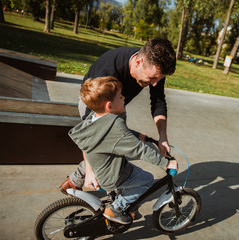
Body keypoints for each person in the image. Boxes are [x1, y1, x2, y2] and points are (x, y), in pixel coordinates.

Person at [60, 38, 177, 194]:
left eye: (159, 78)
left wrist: (162, 137)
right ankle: (112, 198)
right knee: (108, 148)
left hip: (115, 105)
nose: (155, 83)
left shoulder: (154, 66)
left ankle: (81, 182)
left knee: (117, 146)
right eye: (153, 78)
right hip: (94, 104)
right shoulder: (108, 71)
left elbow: (158, 101)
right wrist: (89, 171)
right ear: (138, 62)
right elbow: (90, 136)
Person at [68, 76, 178, 224]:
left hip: (101, 170)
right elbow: (139, 150)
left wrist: (138, 135)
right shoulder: (115, 123)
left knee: (136, 176)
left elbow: (114, 135)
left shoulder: (93, 118)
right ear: (109, 106)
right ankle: (117, 209)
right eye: (120, 96)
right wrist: (165, 163)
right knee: (146, 180)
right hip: (113, 174)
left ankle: (128, 207)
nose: (124, 97)